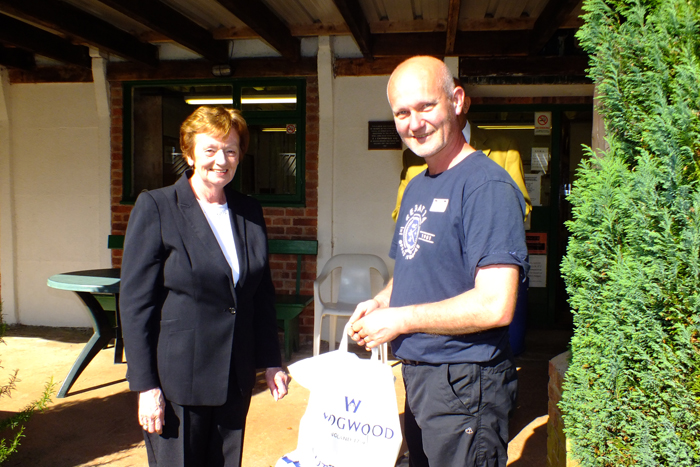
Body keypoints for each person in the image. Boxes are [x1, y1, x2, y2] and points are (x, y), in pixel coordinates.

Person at [348, 56, 529, 466]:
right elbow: (414, 267)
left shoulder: (487, 187)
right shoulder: (417, 185)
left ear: (457, 100)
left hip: (467, 382)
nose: (414, 123)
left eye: (425, 106)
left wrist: (401, 320)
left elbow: (496, 304)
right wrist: (382, 302)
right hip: (422, 374)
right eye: (402, 113)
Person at [120, 106, 289, 467]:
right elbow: (136, 305)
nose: (222, 160)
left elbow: (261, 294)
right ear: (189, 153)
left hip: (235, 376)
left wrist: (272, 361)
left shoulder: (248, 210)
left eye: (231, 150)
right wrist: (146, 386)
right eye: (210, 149)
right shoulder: (158, 206)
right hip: (178, 381)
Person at [391, 81, 532, 222]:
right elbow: (400, 214)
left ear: (463, 104)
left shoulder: (504, 148)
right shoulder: (414, 156)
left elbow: (521, 206)